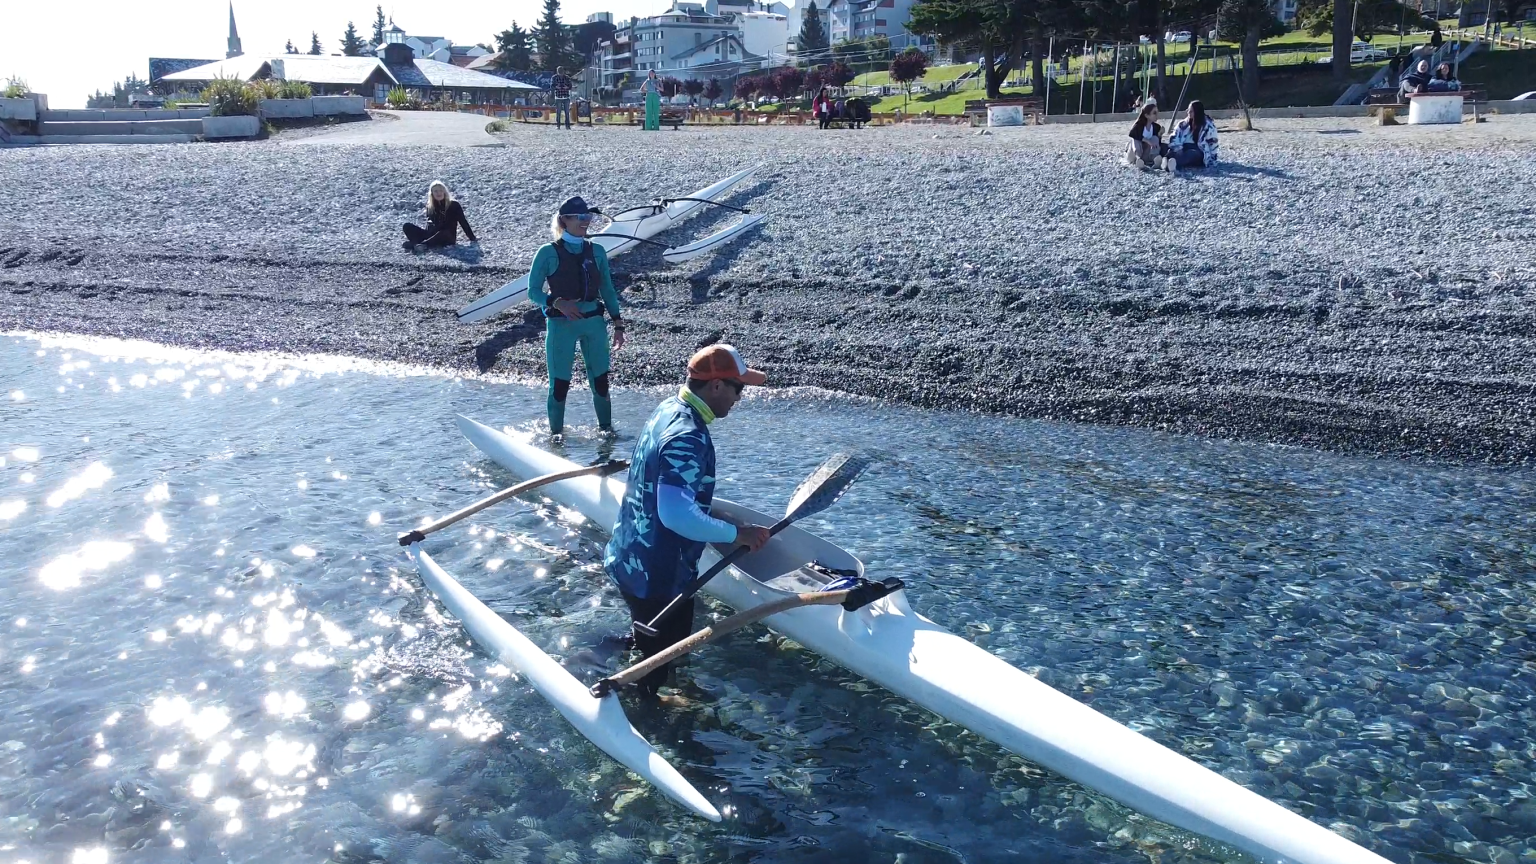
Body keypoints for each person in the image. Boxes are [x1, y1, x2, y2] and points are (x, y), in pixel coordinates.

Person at [604, 345, 773, 697]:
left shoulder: (669, 407)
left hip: (630, 555)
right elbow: (676, 515)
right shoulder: (687, 436)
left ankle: (616, 652)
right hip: (658, 574)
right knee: (658, 668)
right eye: (737, 389)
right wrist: (736, 534)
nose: (739, 398)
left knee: (652, 638)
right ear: (715, 386)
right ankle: (651, 715)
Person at [525, 196, 626, 438]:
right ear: (564, 220)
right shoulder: (547, 252)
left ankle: (606, 436)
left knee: (601, 383)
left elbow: (608, 290)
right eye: (580, 218)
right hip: (562, 326)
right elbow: (533, 291)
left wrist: (618, 324)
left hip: (594, 324)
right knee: (560, 386)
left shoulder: (597, 251)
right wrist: (557, 303)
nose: (586, 222)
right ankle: (556, 439)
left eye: (588, 217)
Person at [401, 181, 476, 252]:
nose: (438, 193)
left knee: (443, 232)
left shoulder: (454, 205)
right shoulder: (430, 206)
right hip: (432, 235)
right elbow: (429, 223)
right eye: (436, 191)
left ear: (444, 192)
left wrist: (472, 238)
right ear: (432, 193)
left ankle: (422, 245)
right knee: (407, 226)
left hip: (447, 236)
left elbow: (463, 222)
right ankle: (418, 244)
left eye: (440, 190)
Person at [1165, 100, 1218, 174]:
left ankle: (1170, 163)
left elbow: (1213, 144)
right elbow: (1174, 136)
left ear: (1197, 112)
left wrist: (1212, 160)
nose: (1188, 112)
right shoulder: (1183, 124)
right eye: (1188, 110)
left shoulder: (1208, 126)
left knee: (1191, 154)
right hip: (1183, 146)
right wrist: (1178, 147)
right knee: (1166, 147)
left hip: (1199, 149)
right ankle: (1166, 162)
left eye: (1191, 111)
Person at [1124, 100, 1168, 170]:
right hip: (1134, 154)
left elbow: (1157, 142)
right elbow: (1132, 134)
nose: (1157, 115)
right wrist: (1147, 140)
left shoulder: (1156, 127)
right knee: (1136, 140)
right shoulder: (1138, 126)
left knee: (1155, 138)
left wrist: (1159, 134)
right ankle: (1138, 160)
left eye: (1157, 112)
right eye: (1154, 113)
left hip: (1146, 153)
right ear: (1147, 115)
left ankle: (1155, 158)